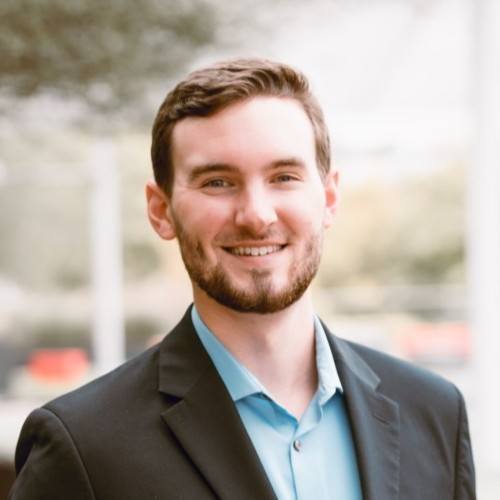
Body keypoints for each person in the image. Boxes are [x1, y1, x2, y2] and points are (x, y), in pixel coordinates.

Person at [9, 58, 475, 500]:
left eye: (284, 177)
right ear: (161, 210)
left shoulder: (435, 414)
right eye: (217, 182)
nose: (256, 215)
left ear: (329, 198)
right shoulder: (84, 446)